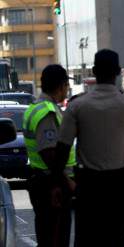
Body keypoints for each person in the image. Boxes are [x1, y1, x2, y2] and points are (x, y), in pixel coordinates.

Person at [54, 27, 124, 247]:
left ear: (93, 71)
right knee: (116, 239)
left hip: (89, 186)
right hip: (118, 187)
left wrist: (62, 183)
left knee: (87, 239)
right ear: (118, 73)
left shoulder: (77, 106)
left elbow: (61, 152)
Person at [23, 64, 76, 247]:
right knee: (56, 239)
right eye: (66, 86)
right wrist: (63, 182)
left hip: (43, 181)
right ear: (61, 86)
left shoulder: (34, 108)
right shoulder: (47, 112)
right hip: (51, 185)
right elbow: (49, 153)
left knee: (48, 238)